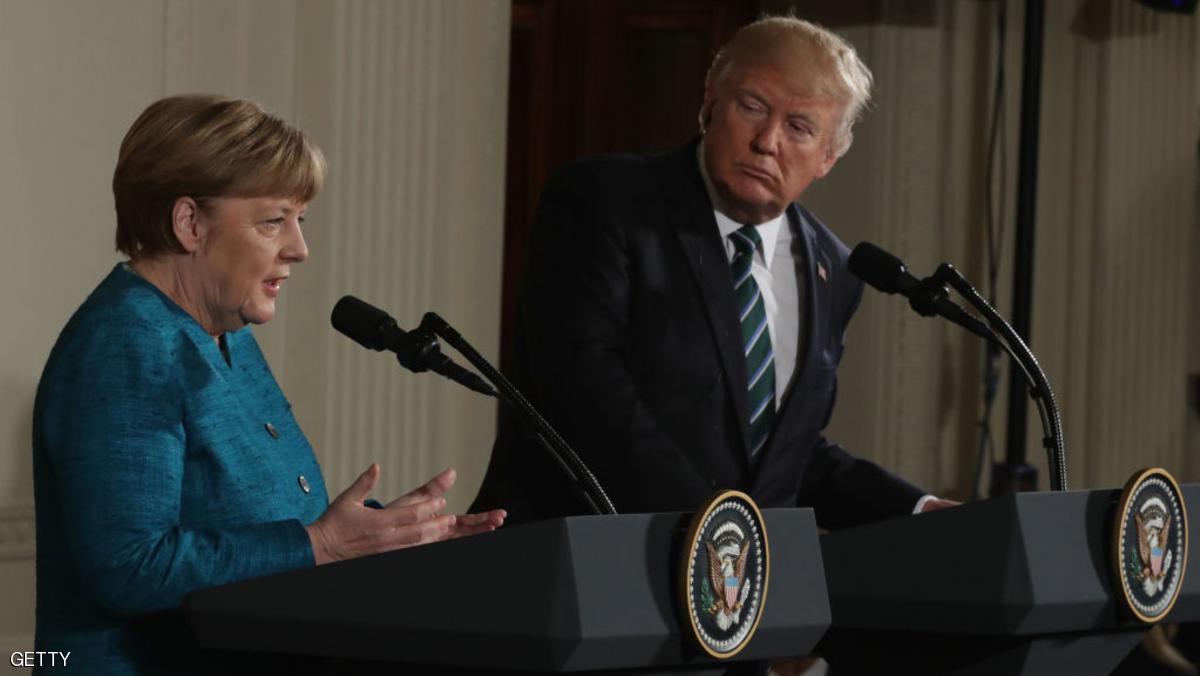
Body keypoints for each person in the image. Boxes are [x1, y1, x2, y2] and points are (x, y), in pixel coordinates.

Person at [31, 94, 506, 674]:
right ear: (190, 223)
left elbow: (261, 525)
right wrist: (324, 545)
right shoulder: (126, 345)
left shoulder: (222, 333)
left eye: (299, 221)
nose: (299, 249)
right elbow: (130, 567)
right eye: (273, 220)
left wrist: (389, 537)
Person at [472, 17, 956, 526]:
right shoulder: (604, 204)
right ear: (709, 102)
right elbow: (584, 398)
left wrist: (916, 508)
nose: (767, 141)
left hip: (735, 590)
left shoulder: (834, 269)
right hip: (579, 564)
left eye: (799, 127)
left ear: (828, 157)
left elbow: (784, 455)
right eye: (752, 107)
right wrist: (722, 530)